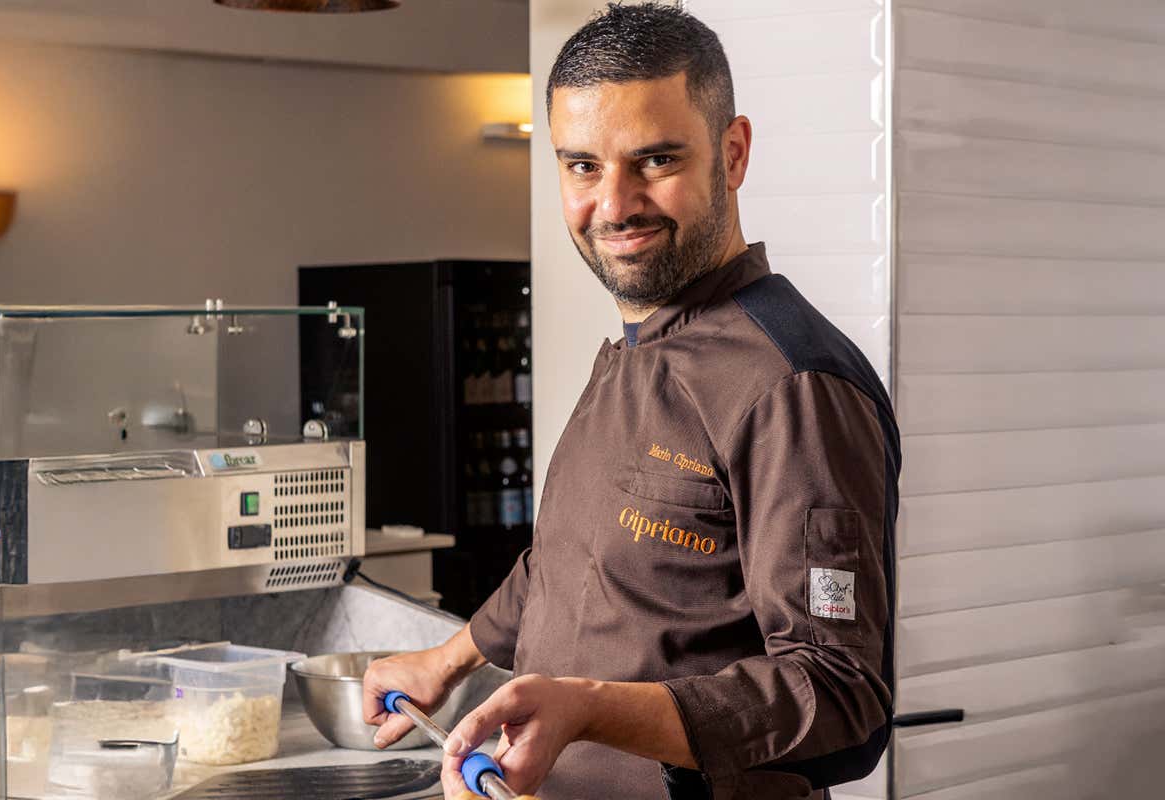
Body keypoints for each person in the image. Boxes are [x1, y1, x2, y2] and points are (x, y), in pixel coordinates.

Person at [362, 4, 900, 799]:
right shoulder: (634, 351)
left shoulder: (792, 387)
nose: (615, 204)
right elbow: (569, 563)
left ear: (733, 154)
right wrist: (445, 662)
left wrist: (590, 709)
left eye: (655, 160)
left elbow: (841, 694)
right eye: (583, 166)